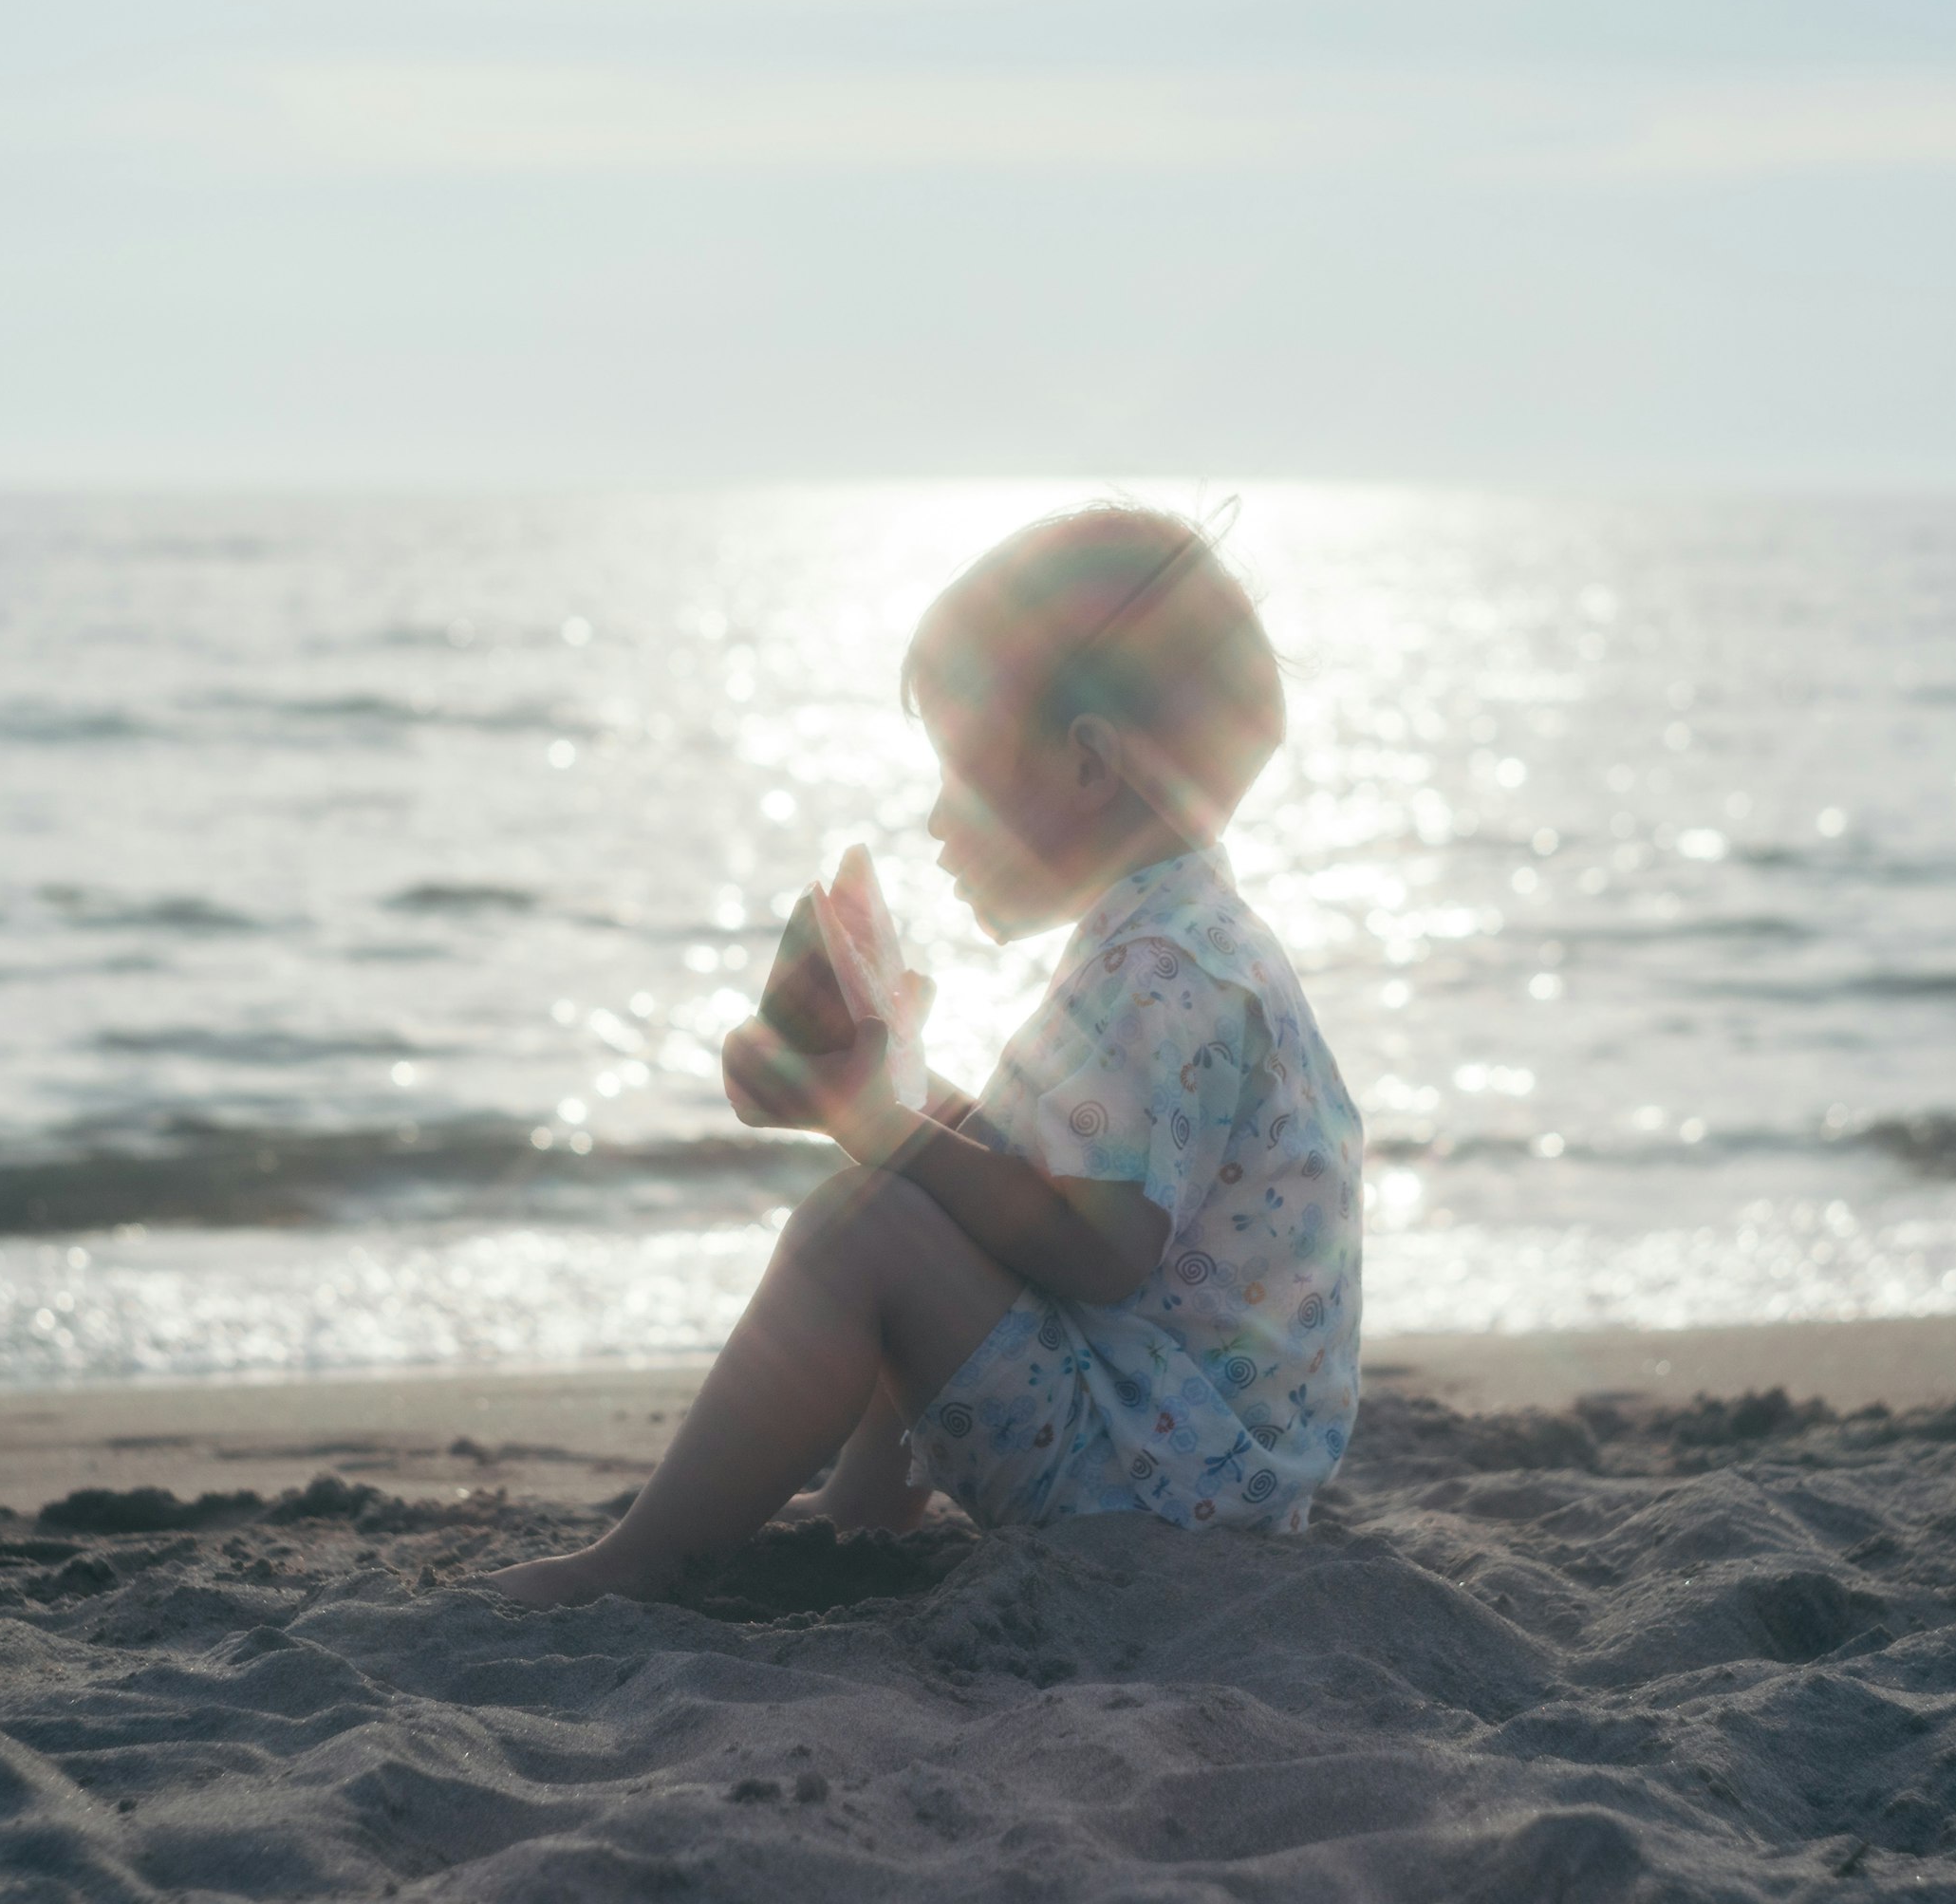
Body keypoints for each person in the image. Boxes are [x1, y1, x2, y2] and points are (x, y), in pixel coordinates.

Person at [484, 506, 1365, 1605]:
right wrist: (871, 1091)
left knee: (859, 1226)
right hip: (1200, 1457)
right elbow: (1026, 1181)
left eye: (960, 774)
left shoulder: (1156, 973)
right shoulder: (1179, 937)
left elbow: (1101, 1251)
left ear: (1090, 763)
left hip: (1155, 1487)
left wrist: (880, 1131)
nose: (937, 821)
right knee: (918, 1199)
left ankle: (641, 1561)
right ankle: (866, 1512)